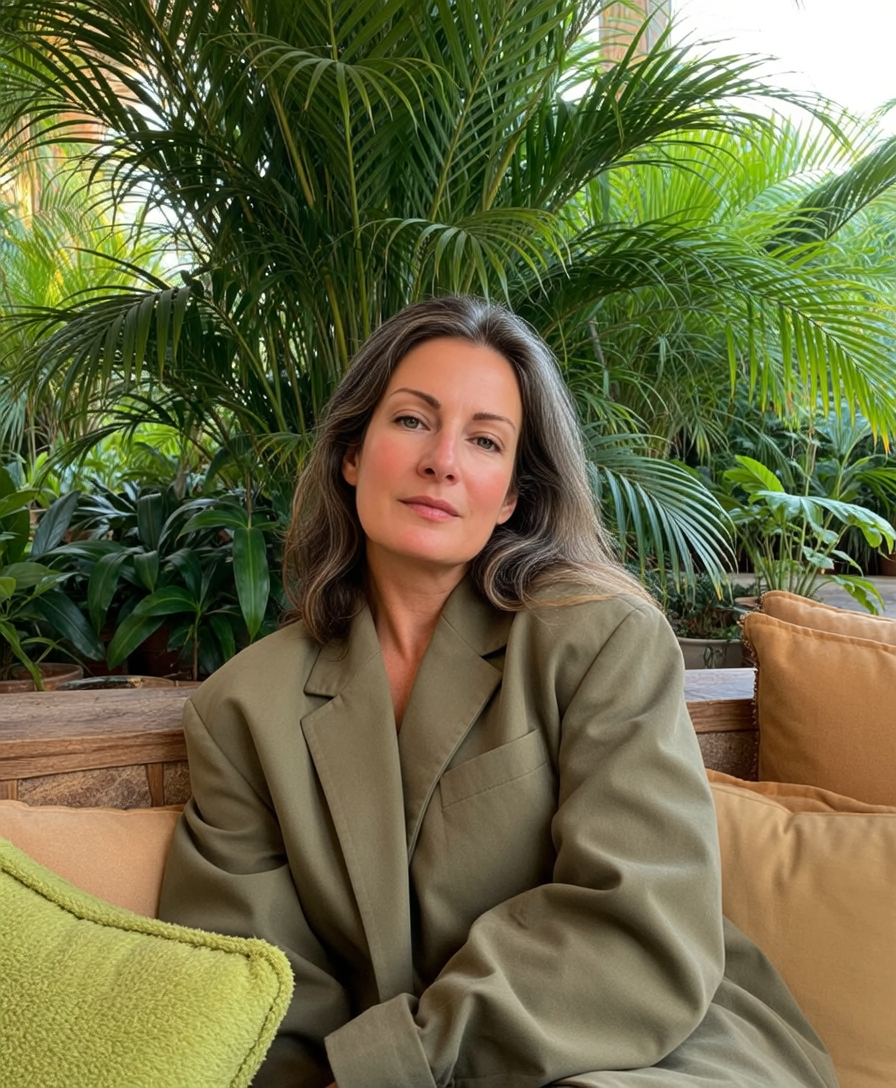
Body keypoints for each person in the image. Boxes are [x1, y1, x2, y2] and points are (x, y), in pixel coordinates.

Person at [159, 296, 838, 1088]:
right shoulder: (242, 710)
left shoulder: (600, 637)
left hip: (657, 1046)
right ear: (353, 452)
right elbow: (256, 989)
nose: (442, 460)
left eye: (485, 440)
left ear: (512, 494)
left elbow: (637, 923)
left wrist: (399, 1063)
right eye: (412, 421)